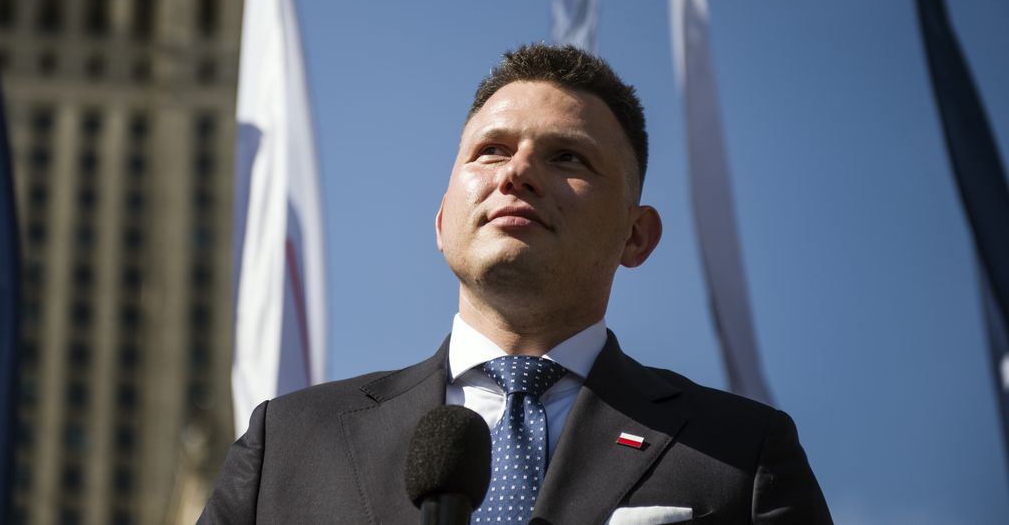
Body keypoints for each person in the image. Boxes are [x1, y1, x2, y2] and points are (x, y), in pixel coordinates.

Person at [200, 44, 832, 524]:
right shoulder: (286, 445)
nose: (518, 173)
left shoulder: (741, 453)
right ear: (444, 220)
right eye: (491, 151)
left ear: (637, 236)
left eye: (567, 158)